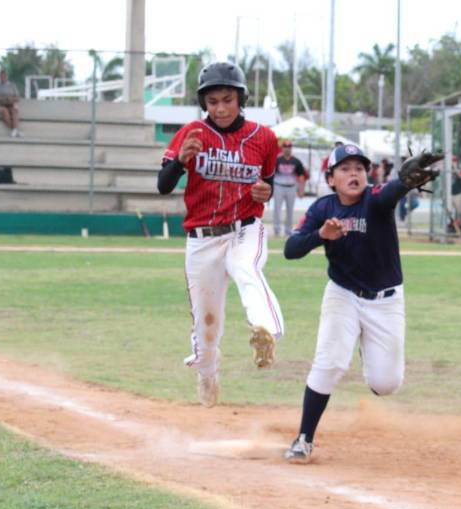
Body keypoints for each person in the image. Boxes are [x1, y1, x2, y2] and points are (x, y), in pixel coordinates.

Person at [281, 143, 440, 464]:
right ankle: (303, 438)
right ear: (330, 179)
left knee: (386, 385)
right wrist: (321, 236)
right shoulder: (323, 209)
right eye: (345, 169)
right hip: (343, 294)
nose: (353, 174)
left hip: (386, 301)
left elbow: (390, 192)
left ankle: (367, 346)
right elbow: (291, 249)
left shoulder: (375, 200)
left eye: (359, 168)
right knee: (329, 363)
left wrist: (406, 182)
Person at [157, 62, 284, 408]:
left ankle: (265, 330)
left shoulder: (264, 138)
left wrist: (265, 193)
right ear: (204, 103)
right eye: (212, 101)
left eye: (228, 99)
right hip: (202, 237)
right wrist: (180, 162)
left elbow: (267, 184)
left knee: (247, 269)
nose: (221, 108)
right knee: (207, 323)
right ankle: (207, 377)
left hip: (245, 229)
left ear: (241, 98)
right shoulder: (192, 133)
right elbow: (163, 186)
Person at [273, 139, 307, 237]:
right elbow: (271, 175)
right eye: (285, 147)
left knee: (290, 210)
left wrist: (301, 191)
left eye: (289, 147)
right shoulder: (277, 160)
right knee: (277, 209)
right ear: (282, 148)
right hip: (278, 186)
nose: (287, 149)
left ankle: (288, 230)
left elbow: (301, 176)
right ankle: (276, 229)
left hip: (291, 187)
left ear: (291, 148)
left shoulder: (296, 161)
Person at [0, 69, 21, 137]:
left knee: (15, 111)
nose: (2, 78)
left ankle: (15, 130)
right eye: (1, 76)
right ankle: (15, 129)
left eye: (4, 76)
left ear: (7, 76)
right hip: (0, 105)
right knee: (4, 111)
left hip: (11, 104)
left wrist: (10, 98)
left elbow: (17, 98)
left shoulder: (12, 86)